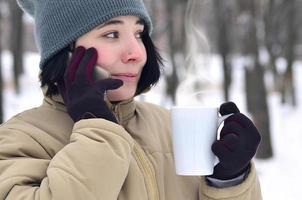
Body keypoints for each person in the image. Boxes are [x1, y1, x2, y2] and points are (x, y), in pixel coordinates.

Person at [0, 0, 262, 199]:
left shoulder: (169, 127)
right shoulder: (19, 140)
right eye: (112, 34)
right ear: (65, 52)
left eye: (138, 34)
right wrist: (97, 128)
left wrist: (230, 182)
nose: (137, 52)